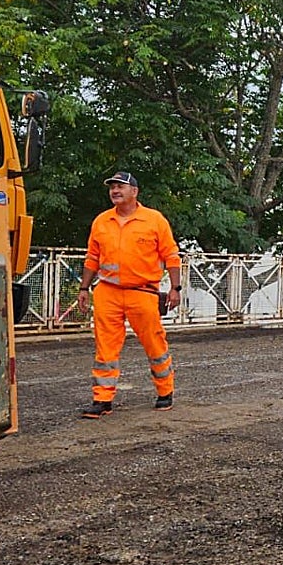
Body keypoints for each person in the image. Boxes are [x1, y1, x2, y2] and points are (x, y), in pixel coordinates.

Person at [76, 171, 183, 418]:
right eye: (112, 187)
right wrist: (84, 288)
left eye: (120, 186)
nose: (115, 191)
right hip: (107, 293)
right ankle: (102, 400)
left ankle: (165, 392)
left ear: (134, 192)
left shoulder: (154, 220)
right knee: (105, 349)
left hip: (143, 293)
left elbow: (171, 255)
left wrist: (175, 289)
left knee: (155, 344)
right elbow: (92, 258)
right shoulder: (101, 221)